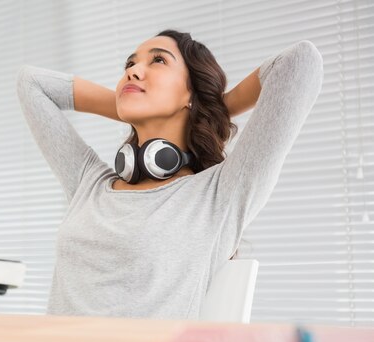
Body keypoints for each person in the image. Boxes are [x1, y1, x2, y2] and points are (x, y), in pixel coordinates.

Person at [16, 29, 323, 319]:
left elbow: (299, 63)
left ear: (190, 94)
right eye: (130, 64)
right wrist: (127, 100)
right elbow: (31, 83)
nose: (133, 71)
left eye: (158, 60)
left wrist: (210, 108)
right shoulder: (89, 183)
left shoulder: (219, 195)